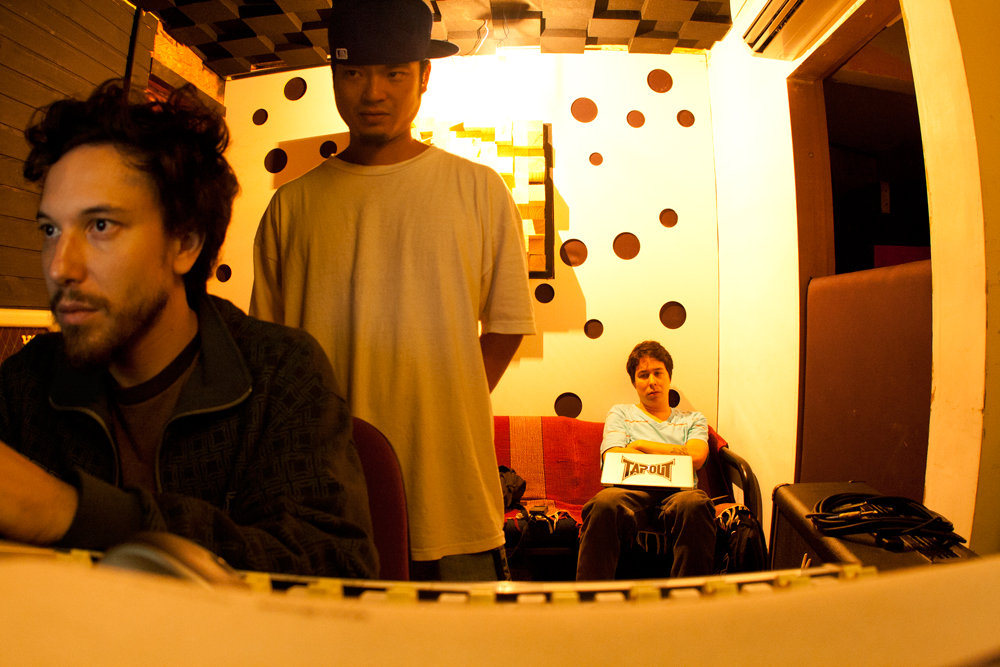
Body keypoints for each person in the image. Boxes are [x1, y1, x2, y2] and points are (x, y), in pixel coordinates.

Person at [0, 80, 377, 578]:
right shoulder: (26, 383)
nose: (60, 267)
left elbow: (333, 566)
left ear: (185, 244)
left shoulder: (278, 373)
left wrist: (72, 512)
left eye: (100, 226)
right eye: (50, 230)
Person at [250, 0, 535, 580]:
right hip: (324, 504)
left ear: (424, 76)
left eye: (394, 73)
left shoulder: (480, 189)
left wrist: (446, 398)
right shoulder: (290, 207)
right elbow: (269, 358)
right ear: (334, 75)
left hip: (453, 497)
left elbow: (507, 324)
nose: (372, 92)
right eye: (354, 72)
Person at [576, 341, 717, 580]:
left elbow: (696, 457)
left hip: (680, 494)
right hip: (630, 492)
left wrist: (640, 445)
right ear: (634, 382)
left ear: (669, 377)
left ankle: (689, 597)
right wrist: (676, 454)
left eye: (658, 373)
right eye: (643, 375)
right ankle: (590, 596)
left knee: (696, 504)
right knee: (604, 503)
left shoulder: (693, 419)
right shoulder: (621, 413)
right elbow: (613, 457)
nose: (652, 381)